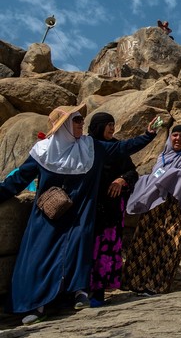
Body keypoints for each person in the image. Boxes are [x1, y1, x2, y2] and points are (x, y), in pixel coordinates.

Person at [0, 104, 157, 324]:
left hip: (79, 216)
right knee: (39, 255)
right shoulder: (43, 150)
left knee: (77, 248)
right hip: (49, 217)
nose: (82, 124)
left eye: (81, 120)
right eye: (76, 120)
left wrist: (148, 135)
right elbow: (18, 180)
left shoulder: (90, 146)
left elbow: (122, 148)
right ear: (63, 124)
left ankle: (76, 294)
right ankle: (36, 305)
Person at [122, 125, 181, 294]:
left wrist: (176, 175)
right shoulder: (163, 157)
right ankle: (134, 283)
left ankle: (156, 286)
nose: (178, 138)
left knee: (168, 248)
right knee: (145, 243)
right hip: (155, 208)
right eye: (175, 135)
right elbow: (155, 178)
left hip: (176, 212)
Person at [87, 113, 140, 307]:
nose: (112, 128)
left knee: (104, 251)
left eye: (113, 125)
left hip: (110, 211)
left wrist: (122, 179)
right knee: (85, 248)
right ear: (98, 126)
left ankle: (98, 293)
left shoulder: (117, 148)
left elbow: (132, 171)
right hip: (88, 208)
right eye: (108, 125)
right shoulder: (85, 146)